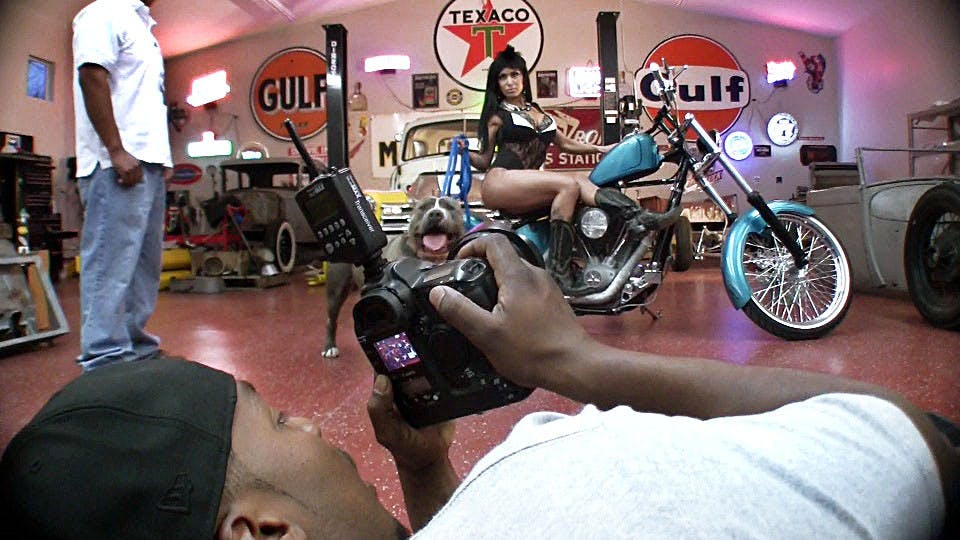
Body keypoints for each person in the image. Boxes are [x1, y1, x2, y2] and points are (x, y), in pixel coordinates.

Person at [1, 235, 957, 538]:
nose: (321, 431)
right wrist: (576, 367)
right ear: (260, 533)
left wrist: (425, 478)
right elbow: (911, 441)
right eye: (281, 417)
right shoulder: (557, 480)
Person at [466, 45, 676, 294]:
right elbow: (483, 160)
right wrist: (460, 150)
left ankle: (636, 217)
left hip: (525, 185)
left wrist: (601, 149)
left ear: (524, 77)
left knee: (578, 180)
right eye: (503, 77)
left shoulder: (537, 112)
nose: (510, 82)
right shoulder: (497, 116)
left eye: (514, 75)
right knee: (567, 183)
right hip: (500, 182)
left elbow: (566, 144)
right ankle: (559, 271)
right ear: (496, 83)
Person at [72, 0, 172, 371]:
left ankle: (137, 348)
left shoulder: (144, 27)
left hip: (148, 162)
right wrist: (116, 149)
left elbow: (145, 101)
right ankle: (104, 358)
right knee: (110, 265)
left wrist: (163, 159)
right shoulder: (104, 12)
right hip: (116, 162)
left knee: (144, 267)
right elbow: (92, 76)